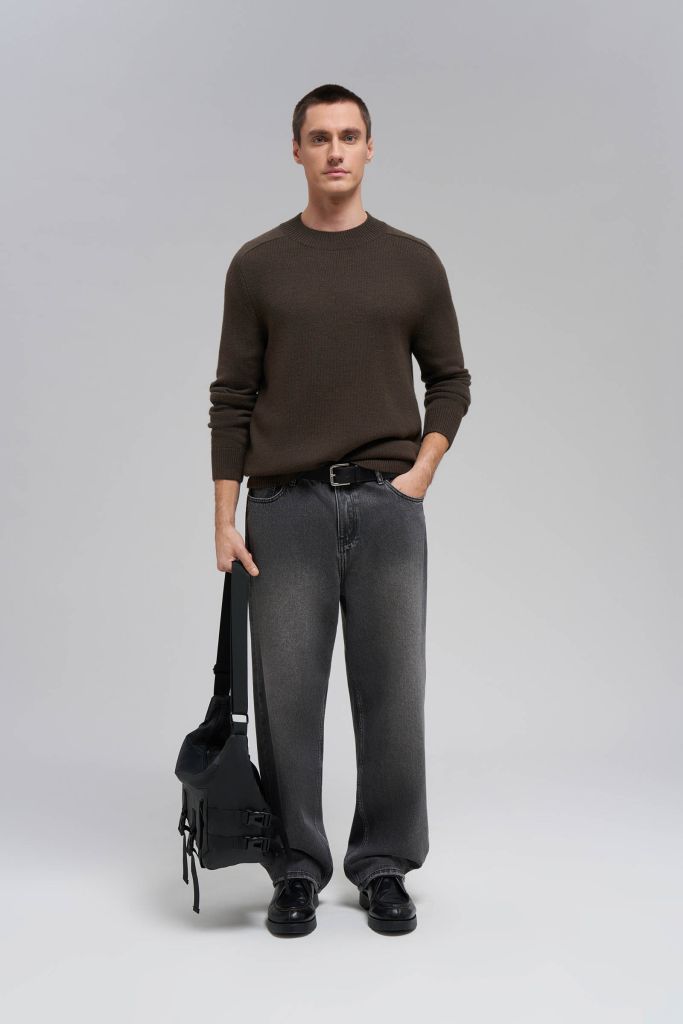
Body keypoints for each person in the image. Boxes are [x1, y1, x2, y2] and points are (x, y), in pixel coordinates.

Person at [208, 83, 472, 937]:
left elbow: (450, 380)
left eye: (348, 136)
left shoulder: (411, 261)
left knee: (393, 692)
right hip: (283, 508)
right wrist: (223, 517)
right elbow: (231, 396)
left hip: (387, 507)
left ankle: (384, 863)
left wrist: (420, 473)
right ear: (296, 150)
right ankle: (295, 867)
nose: (333, 151)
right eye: (318, 137)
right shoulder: (258, 264)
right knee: (287, 696)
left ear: (369, 148)